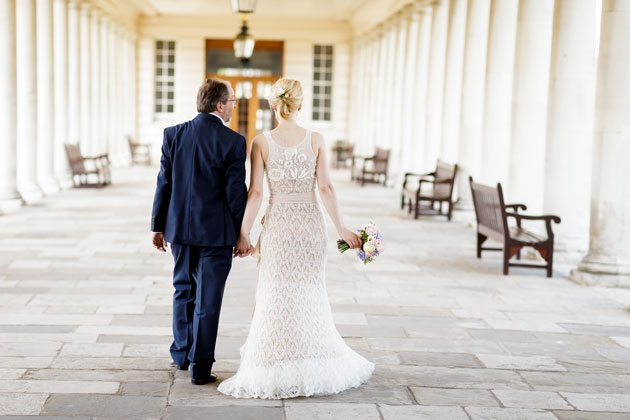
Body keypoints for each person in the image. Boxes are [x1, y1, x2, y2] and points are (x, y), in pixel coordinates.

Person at [217, 78, 374, 399]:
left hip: (279, 227)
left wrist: (244, 233)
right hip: (310, 227)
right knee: (310, 291)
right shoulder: (316, 140)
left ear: (273, 106)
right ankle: (311, 356)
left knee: (274, 291)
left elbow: (257, 192)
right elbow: (327, 188)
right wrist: (342, 229)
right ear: (300, 106)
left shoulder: (261, 142)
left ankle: (273, 360)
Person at [151, 78, 247, 385]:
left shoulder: (173, 135)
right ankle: (200, 367)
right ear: (220, 105)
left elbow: (164, 182)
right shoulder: (233, 142)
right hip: (216, 234)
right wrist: (241, 232)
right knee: (208, 300)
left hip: (178, 230)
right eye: (233, 100)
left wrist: (158, 225)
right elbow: (235, 195)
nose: (234, 105)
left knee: (183, 289)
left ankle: (181, 355)